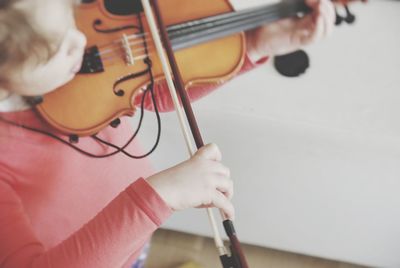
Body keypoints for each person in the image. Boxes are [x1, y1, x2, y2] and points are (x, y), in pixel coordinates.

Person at [0, 0, 335, 267]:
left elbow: (148, 90)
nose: (82, 41)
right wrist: (158, 197)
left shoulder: (56, 69)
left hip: (132, 236)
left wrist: (256, 45)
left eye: (72, 20)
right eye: (61, 48)